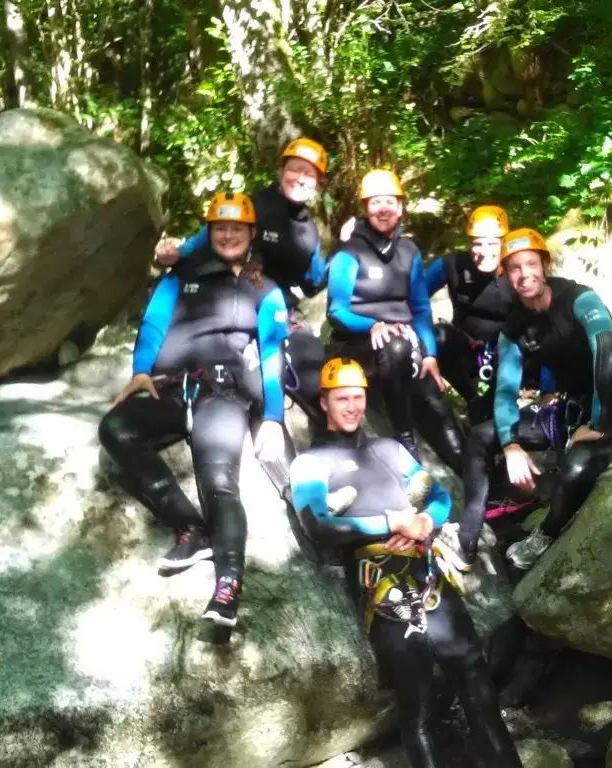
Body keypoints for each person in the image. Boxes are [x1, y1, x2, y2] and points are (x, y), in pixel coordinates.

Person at [290, 358, 523, 768]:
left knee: (477, 688)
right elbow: (319, 526)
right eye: (342, 398)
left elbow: (437, 497)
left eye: (358, 398)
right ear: (323, 402)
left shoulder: (389, 450)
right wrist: (391, 520)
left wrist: (424, 521)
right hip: (383, 594)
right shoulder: (310, 465)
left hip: (430, 580)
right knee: (417, 708)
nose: (352, 407)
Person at [99, 192, 289, 627]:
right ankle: (190, 527)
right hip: (171, 387)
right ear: (209, 232)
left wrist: (274, 416)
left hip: (222, 394)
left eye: (236, 229)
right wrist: (141, 370)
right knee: (116, 429)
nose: (227, 235)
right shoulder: (181, 274)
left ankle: (228, 589)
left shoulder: (266, 289)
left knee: (219, 482)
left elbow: (273, 350)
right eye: (219, 228)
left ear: (251, 233)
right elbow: (154, 322)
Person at [458, 228, 612, 569]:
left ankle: (546, 533)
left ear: (544, 264)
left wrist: (598, 420)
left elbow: (607, 351)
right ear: (505, 275)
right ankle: (468, 535)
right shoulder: (515, 329)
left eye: (531, 264)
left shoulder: (580, 298)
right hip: (571, 411)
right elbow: (504, 390)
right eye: (514, 268)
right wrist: (510, 445)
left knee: (577, 466)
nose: (524, 274)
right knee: (479, 435)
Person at [155, 138, 330, 421]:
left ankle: (325, 435)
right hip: (232, 302)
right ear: (280, 170)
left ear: (319, 182)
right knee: (252, 383)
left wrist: (346, 250)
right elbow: (207, 237)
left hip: (277, 309)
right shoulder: (256, 206)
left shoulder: (310, 232)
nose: (300, 179)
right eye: (294, 169)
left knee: (314, 374)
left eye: (309, 174)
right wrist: (176, 253)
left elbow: (313, 282)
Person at [326, 168, 464, 471]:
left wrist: (429, 354)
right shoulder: (349, 254)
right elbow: (336, 311)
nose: (383, 208)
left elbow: (420, 306)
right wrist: (373, 325)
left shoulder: (408, 251)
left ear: (401, 207)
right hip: (357, 344)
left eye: (390, 201)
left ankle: (470, 471)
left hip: (404, 346)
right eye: (375, 202)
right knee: (398, 347)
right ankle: (404, 436)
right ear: (365, 208)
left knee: (435, 399)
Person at [421, 205, 557, 426]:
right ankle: (472, 397)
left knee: (486, 418)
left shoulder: (519, 274)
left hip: (511, 358)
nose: (483, 251)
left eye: (492, 243)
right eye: (477, 242)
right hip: (468, 352)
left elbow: (545, 329)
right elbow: (415, 296)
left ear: (504, 243)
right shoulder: (452, 265)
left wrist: (548, 391)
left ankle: (488, 405)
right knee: (439, 336)